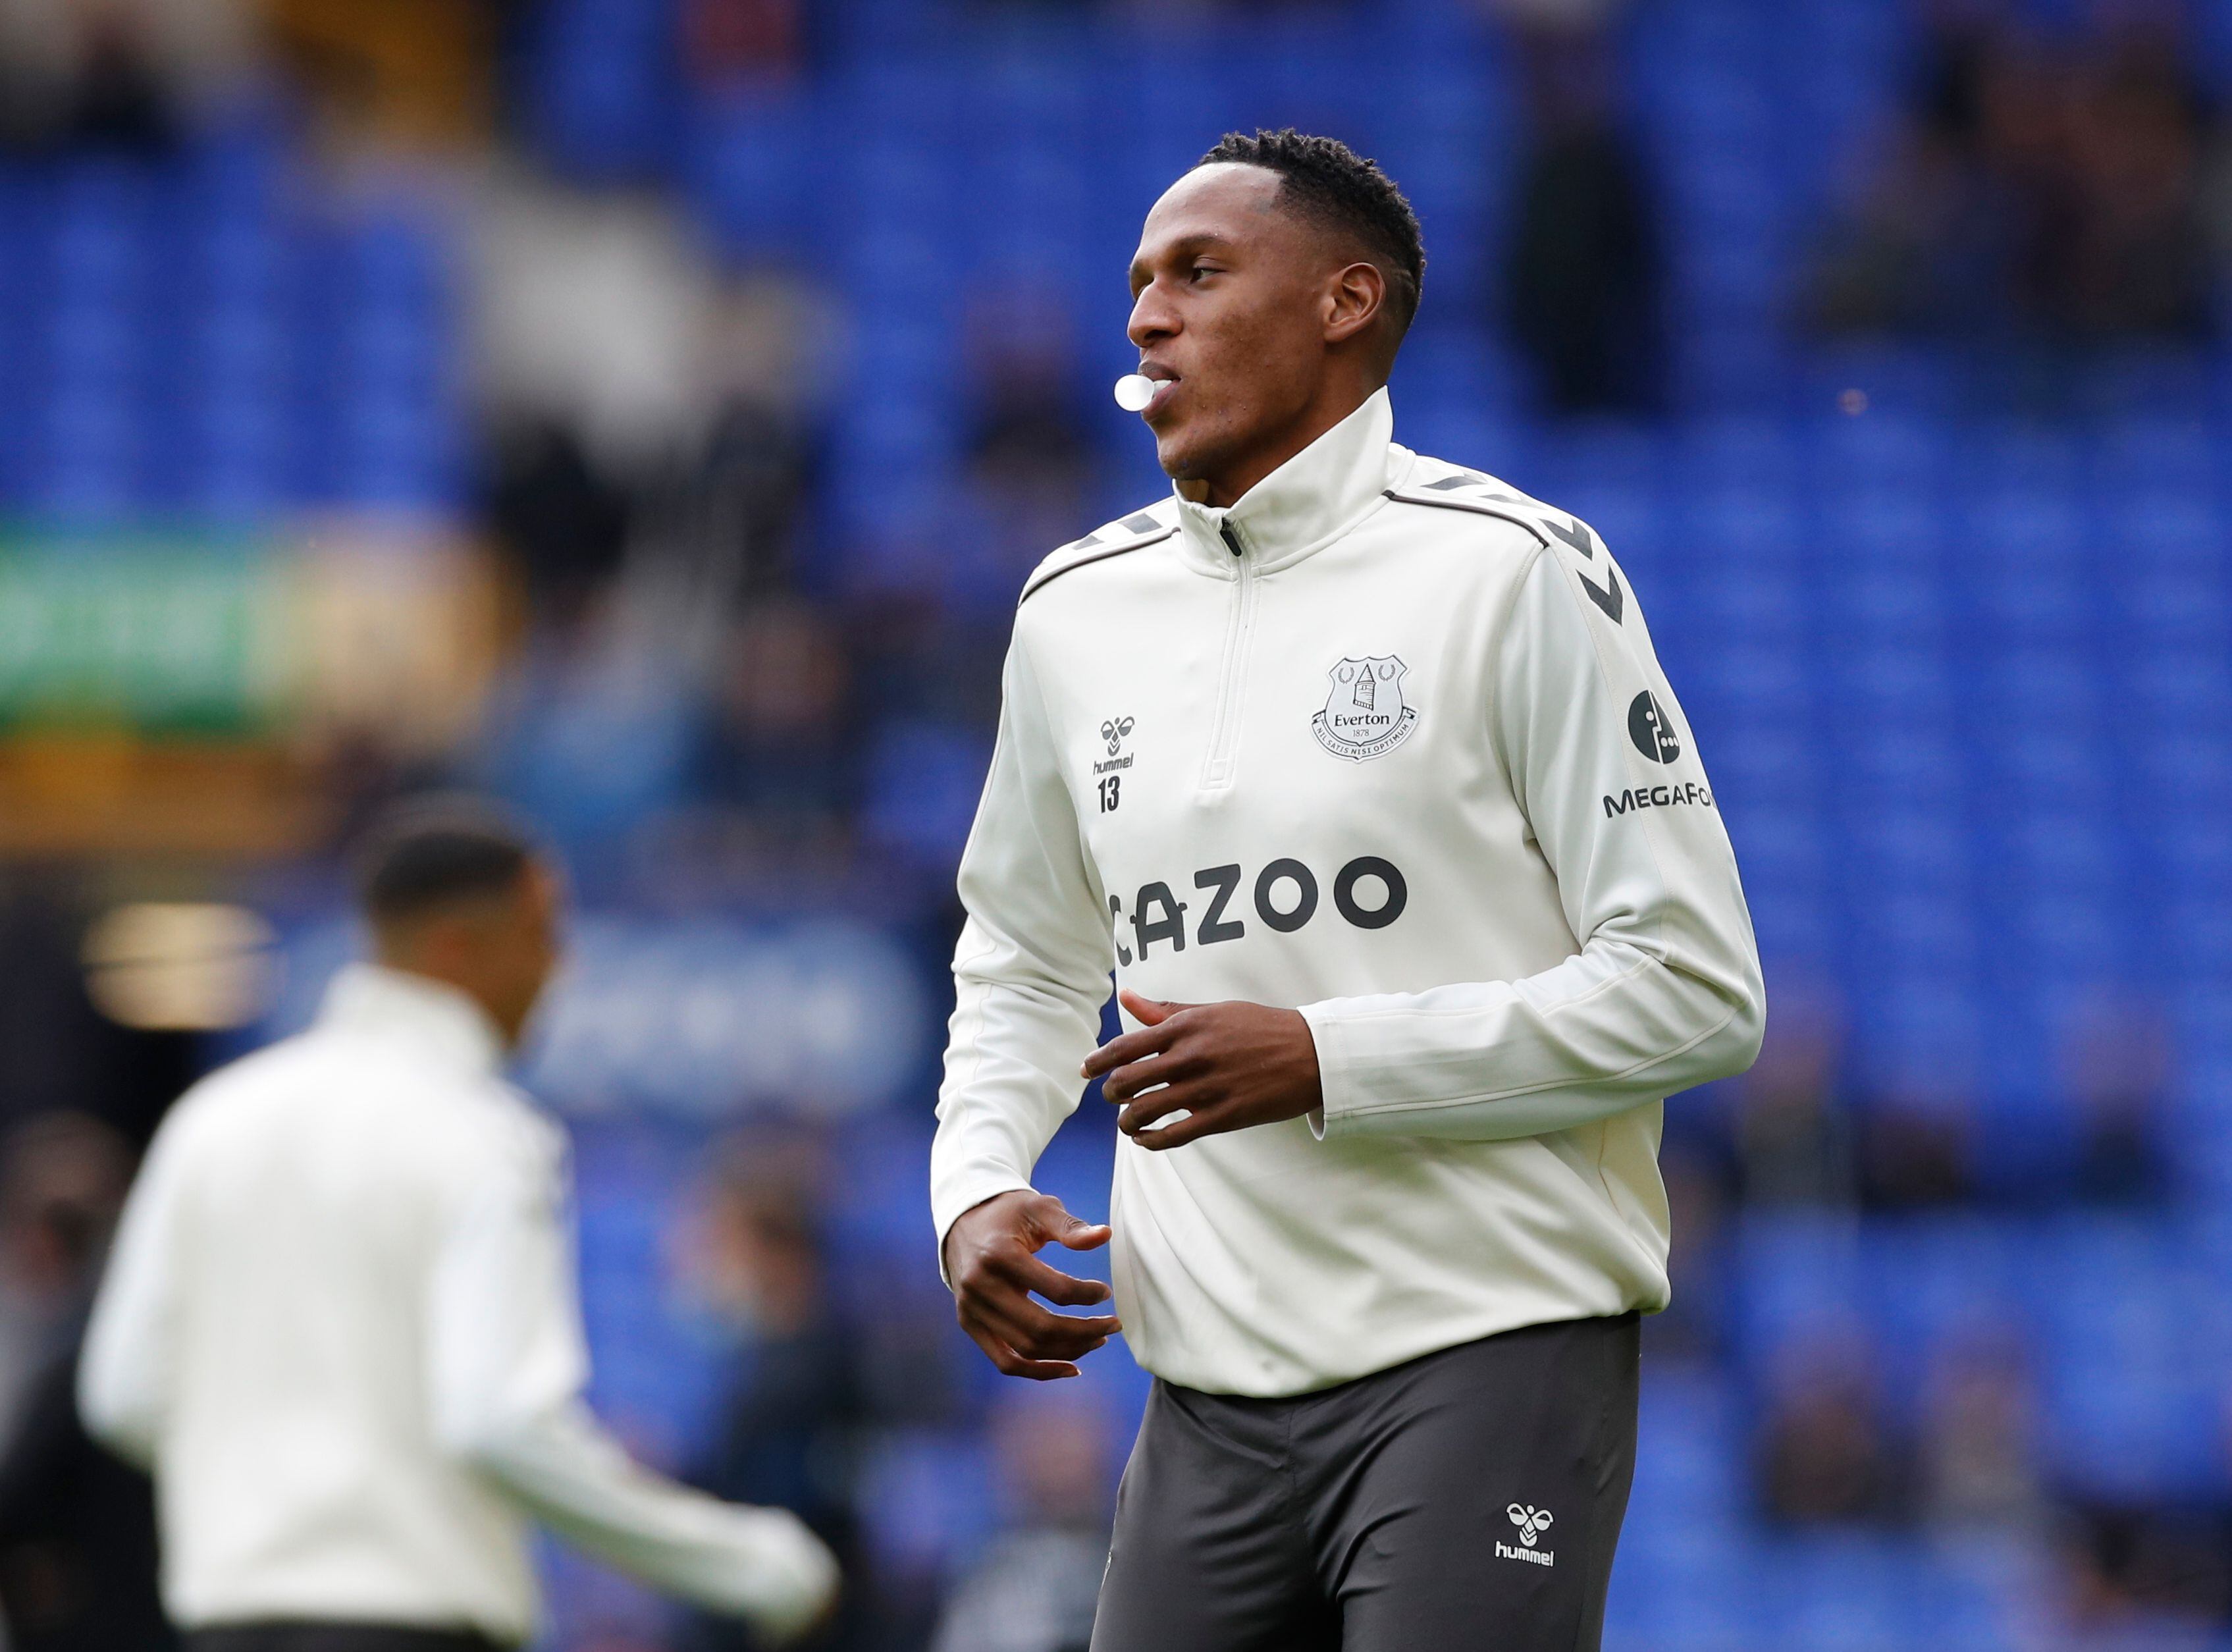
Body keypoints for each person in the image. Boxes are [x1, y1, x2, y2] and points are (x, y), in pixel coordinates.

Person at [930, 129, 1763, 1651]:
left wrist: (1327, 1060)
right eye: (1136, 285)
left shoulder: (1513, 571)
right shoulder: (1072, 612)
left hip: (1487, 1348)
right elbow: (1029, 957)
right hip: (1210, 1397)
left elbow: (1696, 989)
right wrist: (973, 1181)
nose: (1144, 319)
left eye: (1196, 271)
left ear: (1345, 303)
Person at [78, 799, 838, 1652]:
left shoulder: (211, 1121)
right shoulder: (483, 1135)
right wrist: (741, 1559)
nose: (560, 965)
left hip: (226, 1624)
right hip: (415, 1628)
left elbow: (125, 1394)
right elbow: (498, 1421)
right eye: (542, 931)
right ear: (455, 947)